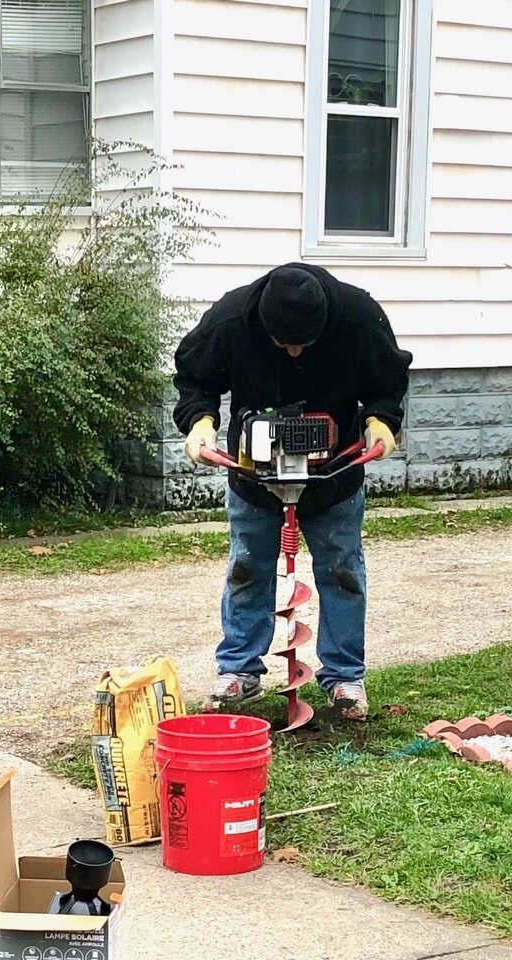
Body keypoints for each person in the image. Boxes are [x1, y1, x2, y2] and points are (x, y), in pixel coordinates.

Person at [173, 263, 412, 720]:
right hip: (255, 481)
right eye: (286, 344)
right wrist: (199, 422)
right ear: (265, 326)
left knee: (342, 571)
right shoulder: (230, 320)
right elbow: (194, 378)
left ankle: (345, 678)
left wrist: (381, 420)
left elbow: (388, 382)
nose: (296, 350)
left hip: (333, 477)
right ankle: (239, 672)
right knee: (246, 569)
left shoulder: (358, 317)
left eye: (306, 342)